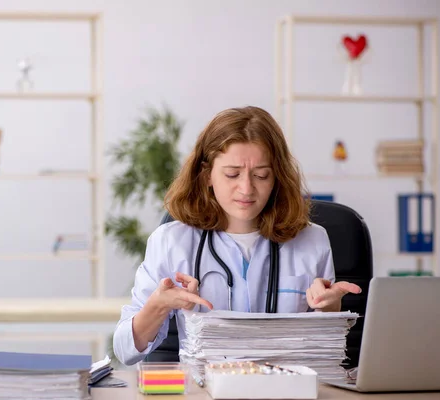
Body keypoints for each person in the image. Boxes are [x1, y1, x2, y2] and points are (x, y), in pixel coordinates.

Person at [112, 106, 362, 366]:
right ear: (206, 175)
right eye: (232, 174)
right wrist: (158, 306)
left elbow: (327, 354)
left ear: (277, 177)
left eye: (261, 175)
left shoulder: (313, 240)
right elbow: (126, 350)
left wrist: (329, 310)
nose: (246, 189)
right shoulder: (171, 242)